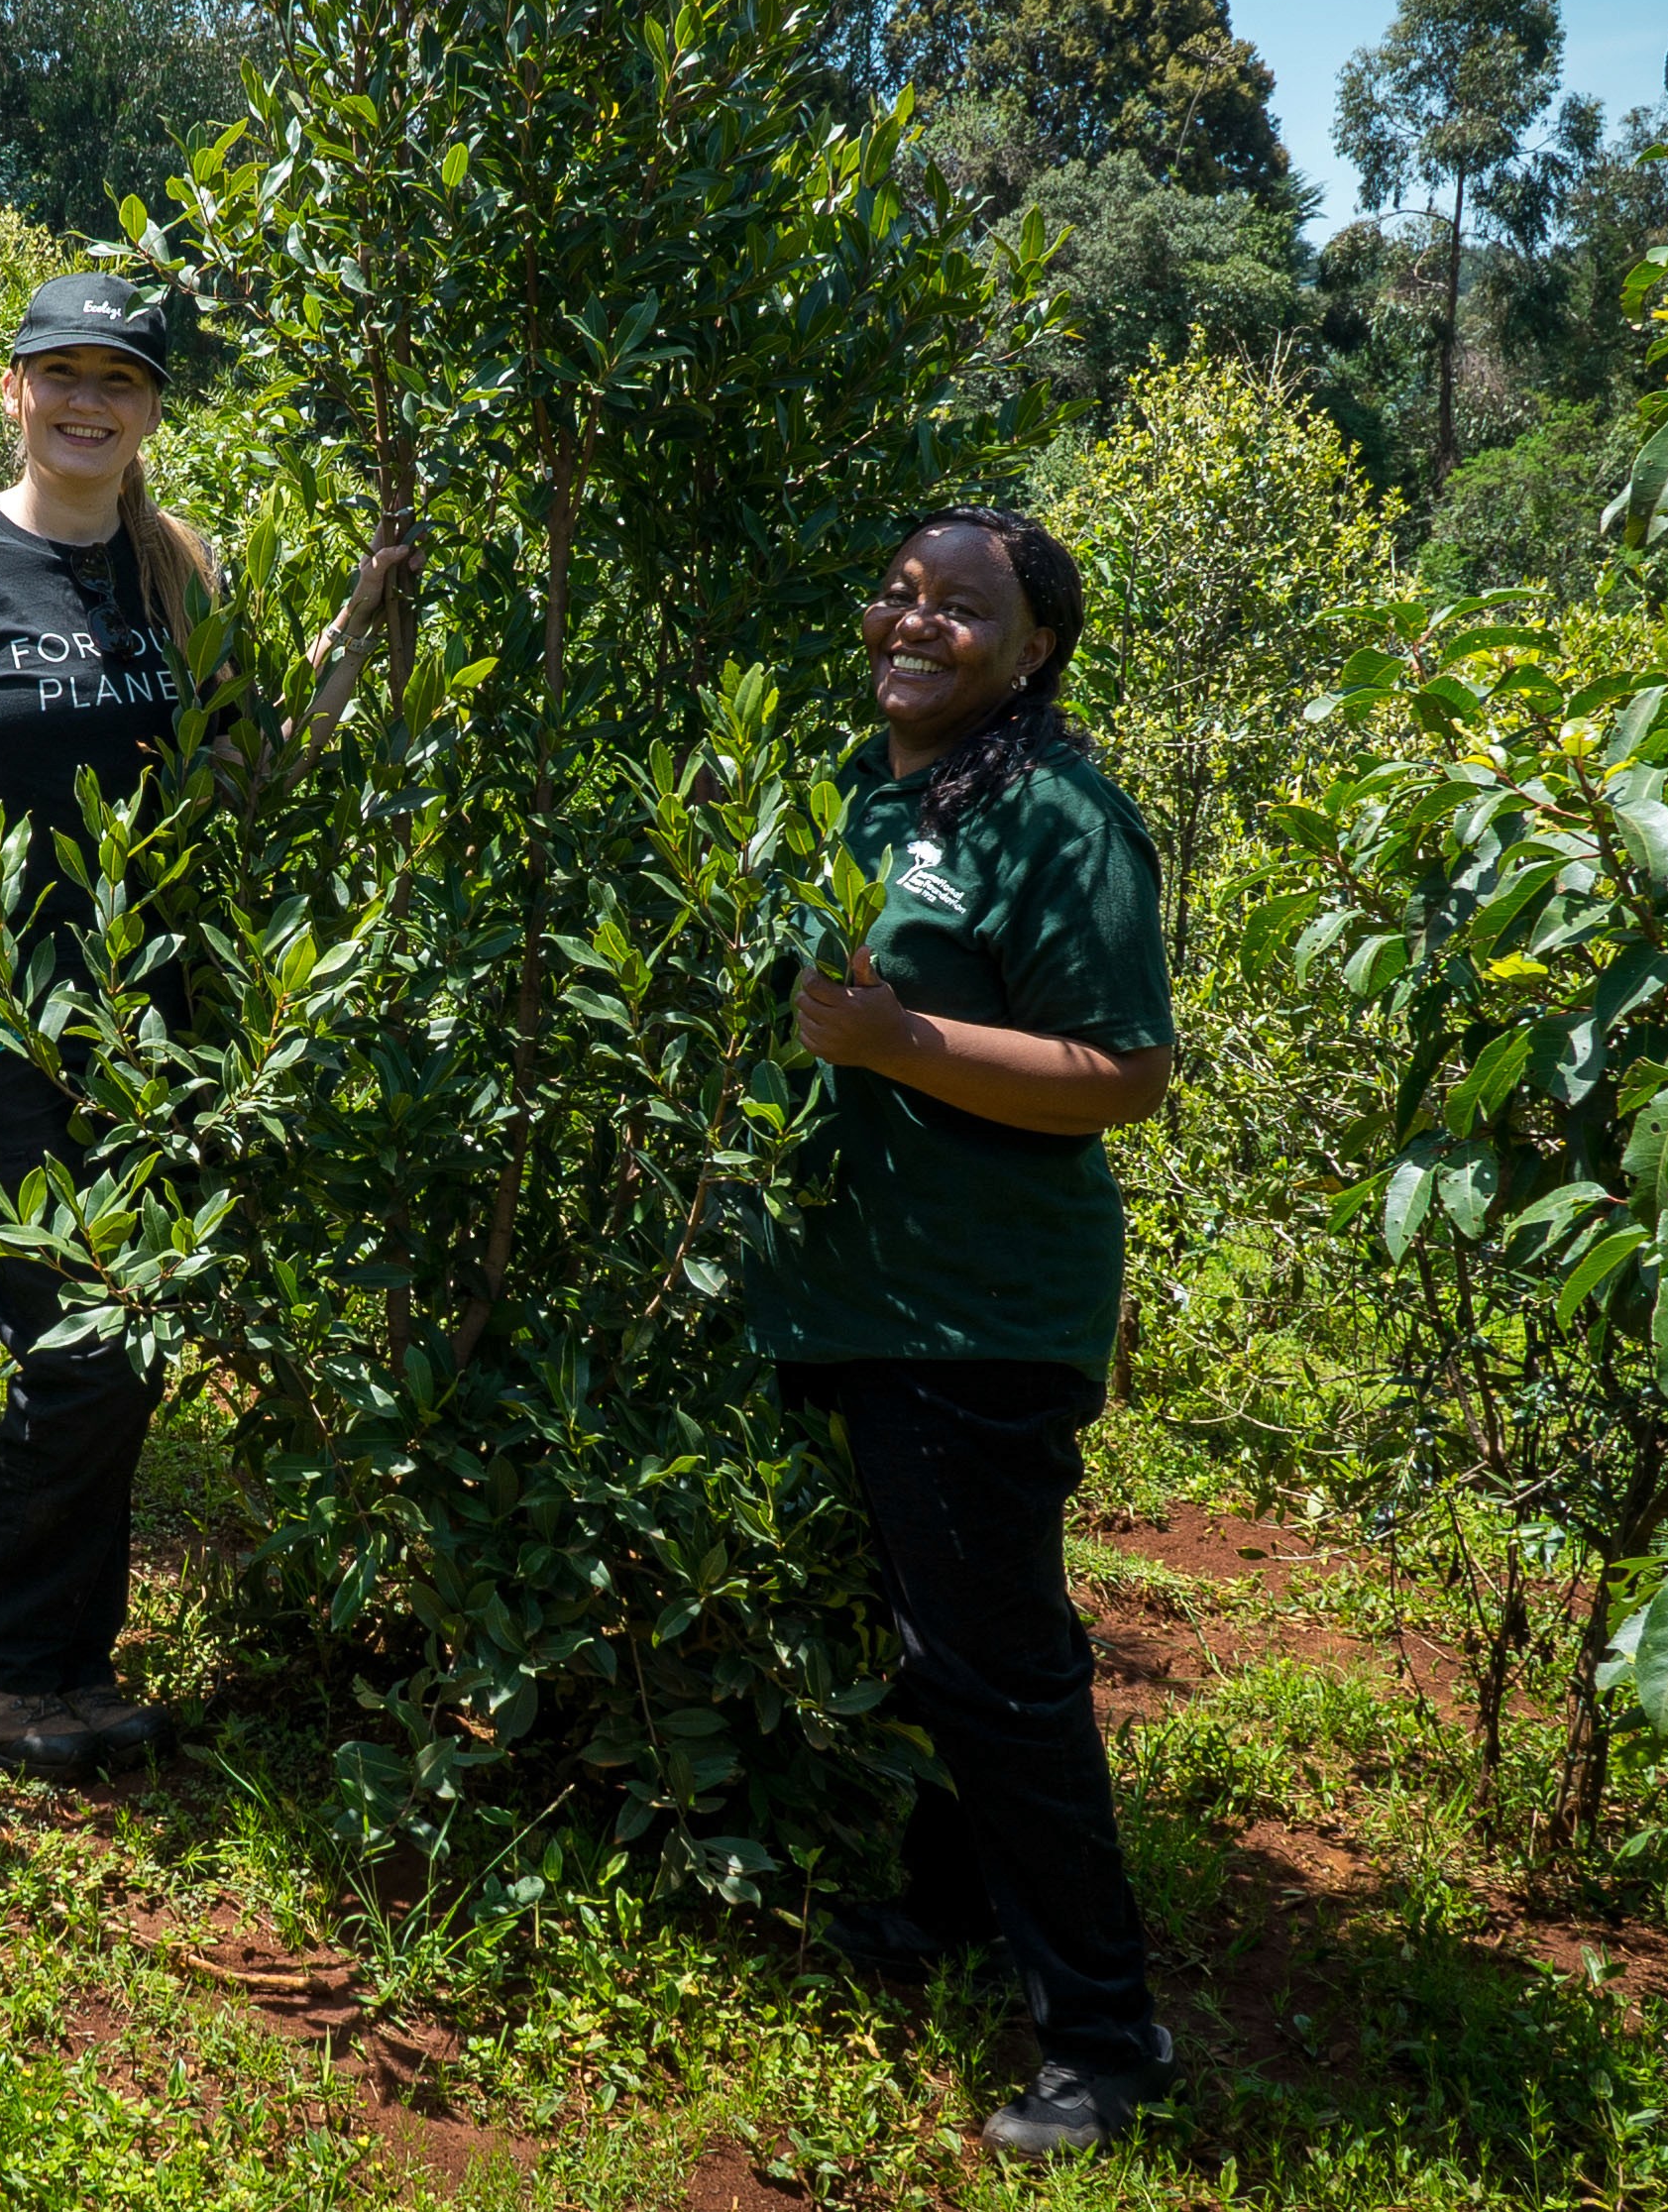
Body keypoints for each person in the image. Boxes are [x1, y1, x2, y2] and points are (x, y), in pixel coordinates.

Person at [0, 270, 406, 1779]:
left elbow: (248, 774)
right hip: (1, 1022)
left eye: (122, 380)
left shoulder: (177, 573)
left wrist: (352, 629)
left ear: (151, 409)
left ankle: (63, 1662)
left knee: (126, 1345)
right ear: (12, 389)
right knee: (73, 1352)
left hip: (164, 1031)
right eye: (62, 373)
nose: (90, 401)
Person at [745, 503, 1180, 2159]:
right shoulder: (866, 787)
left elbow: (1123, 1074)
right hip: (849, 1288)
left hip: (974, 1308)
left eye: (963, 608)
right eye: (900, 595)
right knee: (926, 1638)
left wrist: (896, 1038)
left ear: (1034, 648)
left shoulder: (1063, 817)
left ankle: (1106, 2036)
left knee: (999, 1673)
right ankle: (948, 1904)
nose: (915, 624)